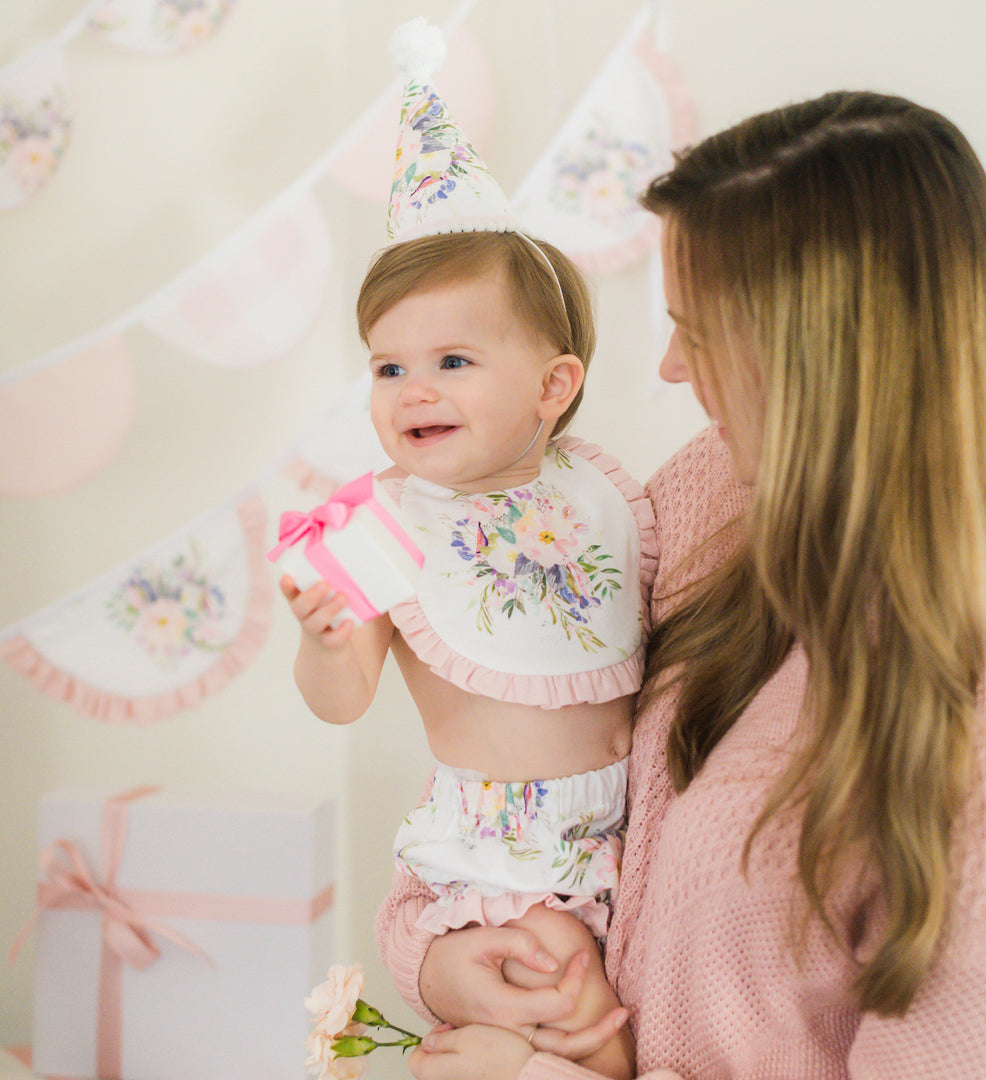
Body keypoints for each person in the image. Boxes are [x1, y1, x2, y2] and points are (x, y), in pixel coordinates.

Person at [377, 90, 986, 1080]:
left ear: (821, 357)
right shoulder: (711, 502)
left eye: (696, 330)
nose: (669, 368)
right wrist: (444, 961)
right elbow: (512, 792)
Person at [279, 19, 647, 1080]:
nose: (412, 390)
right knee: (530, 1032)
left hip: (620, 840)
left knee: (604, 1036)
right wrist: (327, 637)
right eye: (386, 369)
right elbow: (343, 698)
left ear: (552, 387)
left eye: (449, 358)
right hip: (488, 855)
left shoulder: (605, 496)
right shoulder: (378, 522)